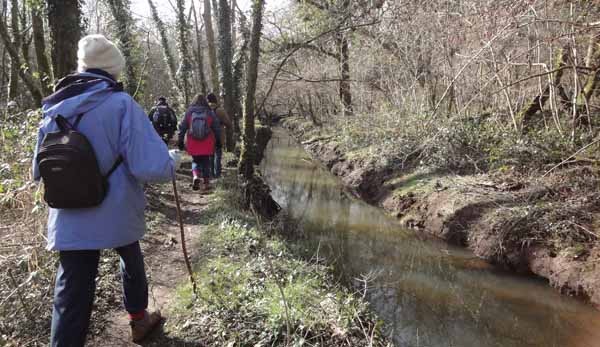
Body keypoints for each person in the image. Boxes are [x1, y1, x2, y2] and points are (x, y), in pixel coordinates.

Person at [32, 34, 181, 346]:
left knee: (72, 286)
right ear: (114, 70)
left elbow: (37, 170)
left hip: (68, 209)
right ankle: (139, 322)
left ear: (82, 68)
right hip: (115, 208)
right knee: (130, 254)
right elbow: (149, 166)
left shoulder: (54, 106)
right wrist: (172, 160)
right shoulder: (121, 104)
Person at [178, 94, 221, 192]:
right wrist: (218, 140)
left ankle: (195, 176)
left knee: (195, 160)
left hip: (193, 141)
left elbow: (183, 126)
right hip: (207, 141)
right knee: (206, 162)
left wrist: (180, 140)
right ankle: (206, 183)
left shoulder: (189, 111)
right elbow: (216, 127)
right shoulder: (209, 111)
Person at [207, 93, 233, 178]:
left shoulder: (205, 110)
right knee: (217, 155)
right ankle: (217, 175)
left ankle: (211, 174)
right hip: (218, 136)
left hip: (207, 136)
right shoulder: (219, 110)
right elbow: (228, 123)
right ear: (215, 100)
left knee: (210, 155)